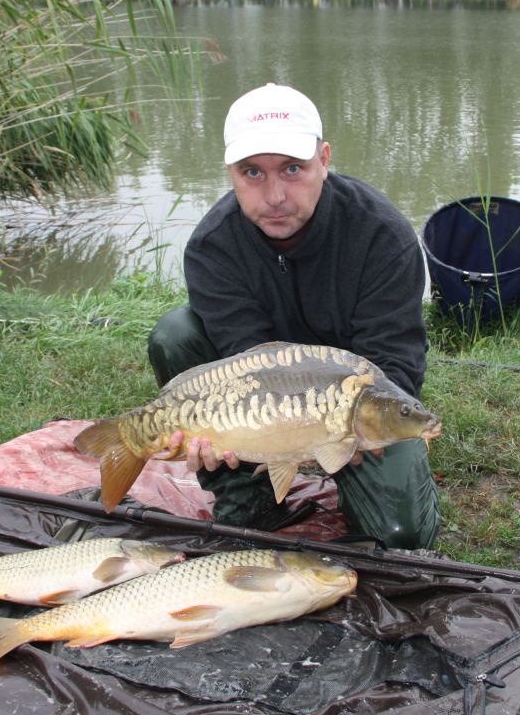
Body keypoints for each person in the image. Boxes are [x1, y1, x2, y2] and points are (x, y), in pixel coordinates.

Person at [146, 83, 441, 549]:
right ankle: (248, 491)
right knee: (176, 334)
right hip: (264, 408)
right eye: (252, 173)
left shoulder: (382, 236)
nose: (276, 195)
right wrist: (249, 441)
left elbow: (395, 362)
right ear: (231, 173)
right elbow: (241, 369)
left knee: (400, 535)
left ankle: (367, 494)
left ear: (324, 160)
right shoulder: (212, 248)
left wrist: (335, 435)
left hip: (352, 405)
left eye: (292, 169)